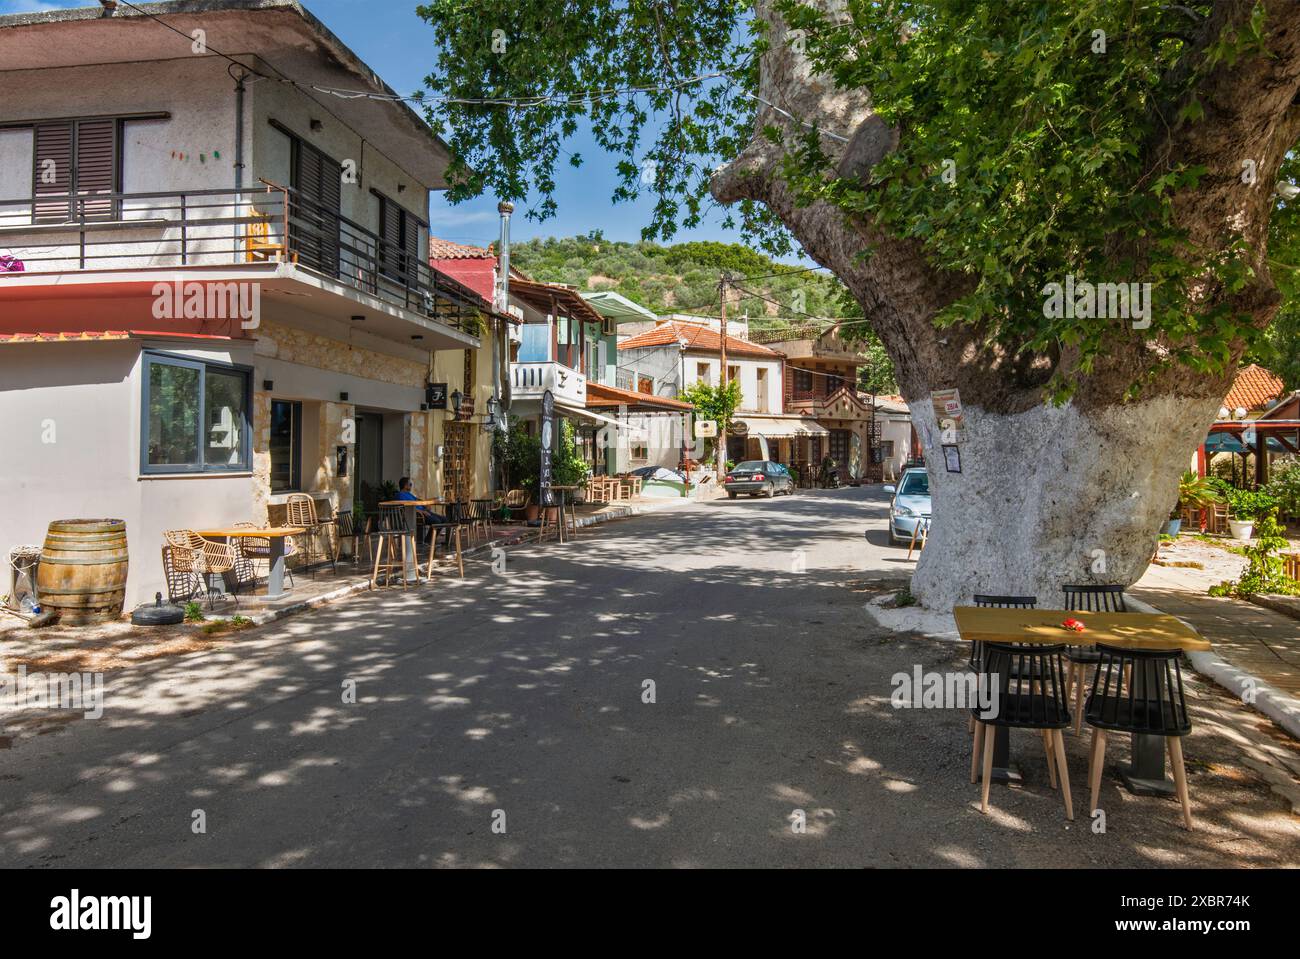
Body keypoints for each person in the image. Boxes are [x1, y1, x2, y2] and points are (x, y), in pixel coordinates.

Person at [396, 477, 448, 544]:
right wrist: (421, 511)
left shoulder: (409, 494)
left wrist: (425, 505)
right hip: (418, 515)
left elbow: (417, 500)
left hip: (424, 512)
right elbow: (406, 508)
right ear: (405, 485)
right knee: (437, 521)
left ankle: (435, 540)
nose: (411, 486)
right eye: (410, 484)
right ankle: (429, 541)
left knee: (444, 519)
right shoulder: (400, 495)